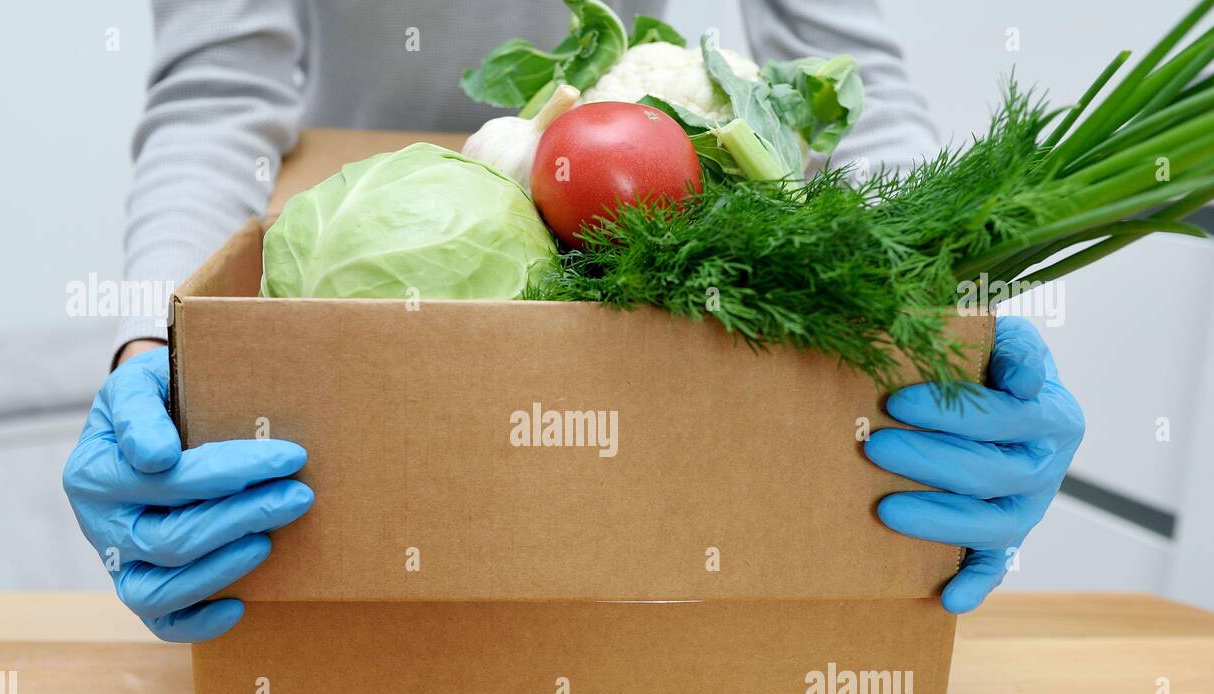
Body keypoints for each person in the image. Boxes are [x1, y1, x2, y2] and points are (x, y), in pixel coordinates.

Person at [63, 0, 1084, 641]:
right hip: (345, 309)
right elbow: (215, 93)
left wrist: (956, 323)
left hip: (624, 273)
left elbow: (860, 93)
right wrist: (154, 343)